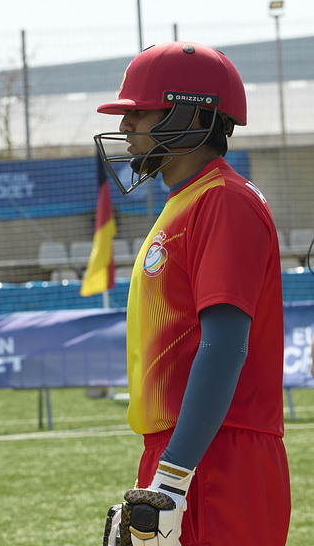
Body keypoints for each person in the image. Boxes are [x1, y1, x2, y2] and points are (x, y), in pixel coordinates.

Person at [93, 42, 291, 546]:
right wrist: (165, 471)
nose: (127, 128)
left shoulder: (224, 200)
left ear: (189, 113)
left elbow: (224, 344)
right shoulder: (189, 200)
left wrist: (172, 478)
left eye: (139, 113)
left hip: (221, 456)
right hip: (188, 450)